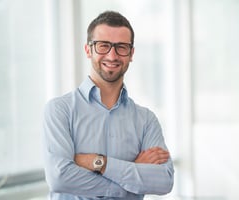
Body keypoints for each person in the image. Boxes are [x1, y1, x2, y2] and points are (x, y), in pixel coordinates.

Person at [42, 10, 174, 200]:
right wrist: (132, 176)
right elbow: (60, 178)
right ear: (88, 50)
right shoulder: (59, 111)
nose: (112, 56)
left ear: (131, 53)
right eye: (103, 46)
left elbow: (164, 181)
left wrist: (99, 163)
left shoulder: (146, 120)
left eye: (121, 47)